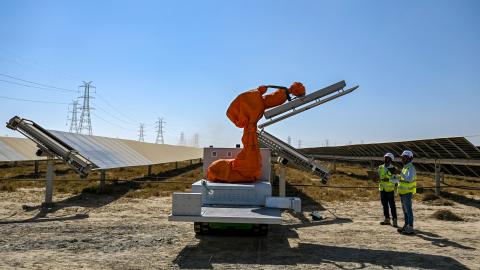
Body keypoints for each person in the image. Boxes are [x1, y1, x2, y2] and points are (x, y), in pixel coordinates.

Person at [396, 150, 417, 235]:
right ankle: (406, 225)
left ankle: (410, 227)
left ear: (409, 158)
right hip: (402, 192)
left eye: (404, 157)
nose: (402, 159)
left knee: (408, 210)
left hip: (408, 192)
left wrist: (400, 172)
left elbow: (409, 179)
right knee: (405, 210)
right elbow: (402, 179)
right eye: (402, 157)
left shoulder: (411, 168)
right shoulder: (405, 167)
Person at [378, 153, 398, 227]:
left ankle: (395, 220)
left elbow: (396, 180)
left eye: (388, 158)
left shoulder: (394, 169)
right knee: (384, 205)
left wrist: (388, 179)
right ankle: (387, 219)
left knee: (392, 205)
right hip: (382, 189)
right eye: (385, 158)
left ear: (391, 160)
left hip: (390, 190)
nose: (386, 159)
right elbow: (379, 177)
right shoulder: (380, 167)